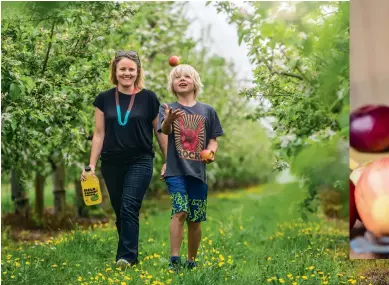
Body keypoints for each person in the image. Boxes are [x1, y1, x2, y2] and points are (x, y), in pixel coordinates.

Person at [81, 50, 167, 268]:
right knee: (120, 211)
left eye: (131, 69)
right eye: (123, 69)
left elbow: (160, 131)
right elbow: (99, 133)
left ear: (137, 72)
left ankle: (126, 257)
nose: (127, 73)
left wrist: (169, 160)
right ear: (115, 71)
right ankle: (129, 255)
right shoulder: (103, 99)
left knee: (129, 206)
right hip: (111, 162)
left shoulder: (149, 98)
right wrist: (91, 165)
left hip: (140, 160)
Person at [158, 64, 224, 270]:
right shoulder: (167, 108)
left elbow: (213, 139)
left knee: (195, 219)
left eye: (187, 76)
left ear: (195, 82)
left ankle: (191, 262)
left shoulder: (208, 111)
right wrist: (168, 120)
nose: (182, 79)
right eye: (177, 77)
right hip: (176, 171)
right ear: (173, 85)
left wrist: (211, 152)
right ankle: (174, 261)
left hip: (198, 172)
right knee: (180, 211)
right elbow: (165, 130)